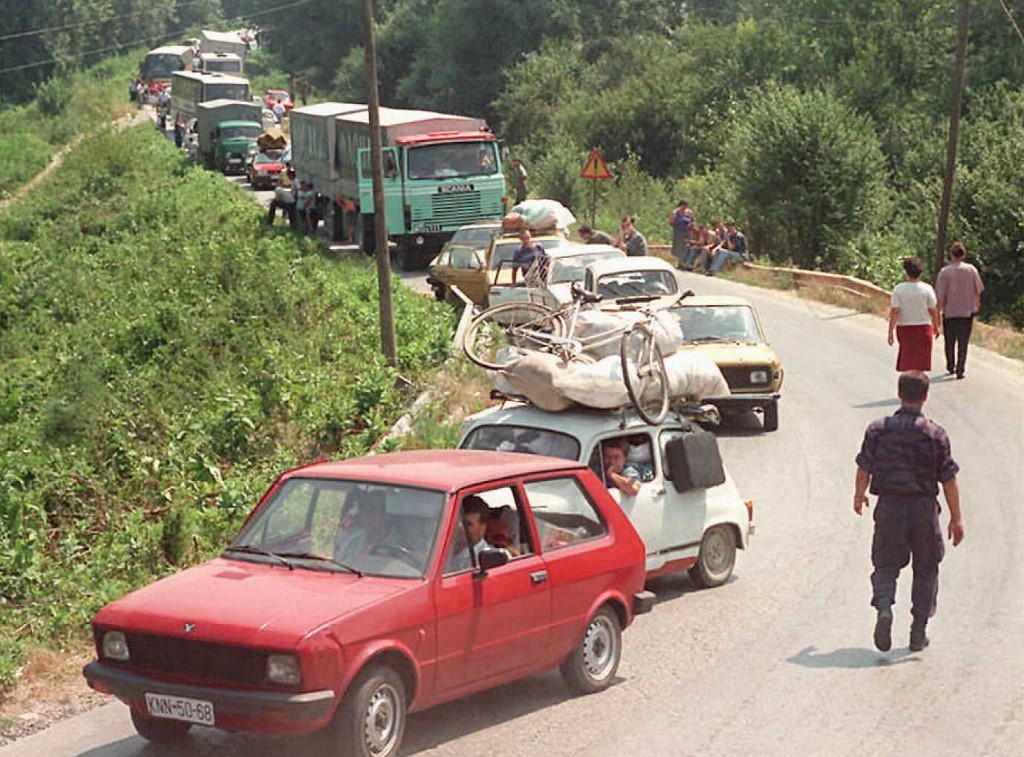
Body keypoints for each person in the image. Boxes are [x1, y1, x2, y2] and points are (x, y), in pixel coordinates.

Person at [854, 371, 964, 652]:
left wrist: (859, 495)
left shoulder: (878, 429)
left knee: (885, 564)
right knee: (926, 568)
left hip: (889, 507)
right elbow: (948, 478)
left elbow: (864, 466)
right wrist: (956, 518)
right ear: (925, 397)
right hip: (923, 508)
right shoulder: (935, 434)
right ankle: (918, 631)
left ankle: (884, 610)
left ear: (900, 393)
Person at [935, 241, 984, 380]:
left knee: (949, 342)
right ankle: (960, 369)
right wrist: (977, 304)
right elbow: (977, 291)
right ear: (964, 255)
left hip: (950, 312)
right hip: (966, 312)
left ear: (951, 255)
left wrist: (938, 314)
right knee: (963, 343)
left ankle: (950, 366)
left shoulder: (944, 272)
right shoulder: (971, 270)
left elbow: (940, 296)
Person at [888, 257, 940, 372]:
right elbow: (932, 310)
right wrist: (936, 326)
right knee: (920, 364)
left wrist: (890, 331)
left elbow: (895, 311)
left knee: (907, 361)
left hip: (904, 329)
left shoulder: (899, 289)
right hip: (923, 329)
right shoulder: (927, 289)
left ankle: (907, 386)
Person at [445, 495, 491, 571]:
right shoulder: (435, 546)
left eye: (467, 524)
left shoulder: (484, 559)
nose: (460, 527)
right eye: (457, 521)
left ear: (482, 528)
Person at [668, 200, 694, 268]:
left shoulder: (689, 212)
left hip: (687, 232)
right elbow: (671, 222)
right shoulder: (675, 212)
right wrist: (678, 224)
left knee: (686, 246)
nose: (685, 207)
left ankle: (683, 262)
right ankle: (679, 261)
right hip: (678, 231)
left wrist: (689, 225)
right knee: (679, 246)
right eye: (684, 205)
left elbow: (692, 220)